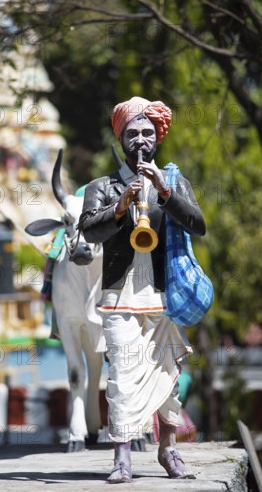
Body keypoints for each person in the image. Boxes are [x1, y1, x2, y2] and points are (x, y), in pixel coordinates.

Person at [79, 96, 206, 482]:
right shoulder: (102, 186)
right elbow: (89, 230)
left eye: (148, 133)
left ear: (157, 139)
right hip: (120, 297)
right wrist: (121, 206)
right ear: (121, 139)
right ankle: (122, 459)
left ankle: (169, 452)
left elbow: (197, 224)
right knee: (121, 377)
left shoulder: (173, 180)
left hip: (165, 298)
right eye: (132, 133)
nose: (140, 140)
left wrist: (163, 192)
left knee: (167, 378)